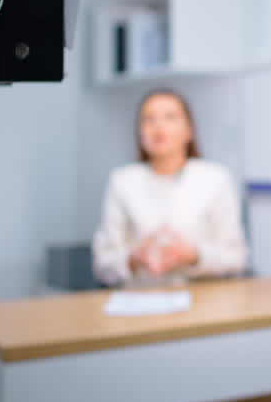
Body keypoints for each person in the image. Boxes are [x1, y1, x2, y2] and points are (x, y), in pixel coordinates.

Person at [92, 89, 247, 287]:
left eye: (170, 117)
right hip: (140, 300)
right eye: (148, 119)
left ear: (189, 130)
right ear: (139, 132)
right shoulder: (122, 181)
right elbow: (102, 264)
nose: (158, 126)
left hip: (204, 304)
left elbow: (236, 259)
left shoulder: (216, 178)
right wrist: (133, 259)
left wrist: (193, 255)